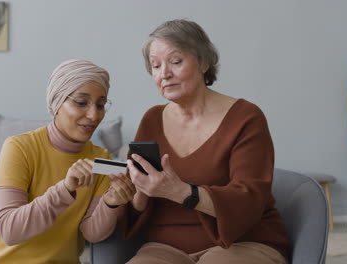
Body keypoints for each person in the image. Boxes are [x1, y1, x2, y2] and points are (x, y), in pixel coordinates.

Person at [121, 19, 290, 264]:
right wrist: (136, 191)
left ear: (204, 62)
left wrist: (181, 192)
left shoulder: (246, 117)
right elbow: (137, 203)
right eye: (155, 66)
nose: (164, 74)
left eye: (176, 62)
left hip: (243, 243)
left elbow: (250, 199)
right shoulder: (152, 119)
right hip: (164, 248)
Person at [0, 59, 136, 263]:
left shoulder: (101, 157)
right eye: (81, 103)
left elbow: (92, 234)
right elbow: (9, 231)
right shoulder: (19, 147)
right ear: (56, 102)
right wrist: (65, 190)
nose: (93, 115)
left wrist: (111, 204)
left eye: (101, 105)